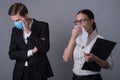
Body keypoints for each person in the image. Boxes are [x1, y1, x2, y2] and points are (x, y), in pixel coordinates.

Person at [8, 2, 54, 80]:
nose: (16, 23)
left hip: (39, 71)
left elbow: (45, 48)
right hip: (20, 72)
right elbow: (12, 54)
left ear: (26, 15)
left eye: (18, 20)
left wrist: (29, 32)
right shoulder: (15, 30)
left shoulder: (42, 26)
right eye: (14, 21)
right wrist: (31, 52)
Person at [63, 9, 112, 80]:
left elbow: (108, 65)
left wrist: (95, 59)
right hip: (75, 77)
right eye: (77, 21)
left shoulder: (100, 40)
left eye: (82, 21)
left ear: (91, 21)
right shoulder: (75, 39)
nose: (79, 24)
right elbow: (66, 59)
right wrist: (73, 37)